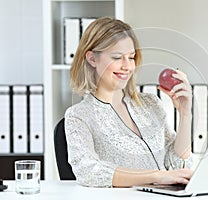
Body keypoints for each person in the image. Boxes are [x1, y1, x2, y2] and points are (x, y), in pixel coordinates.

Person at [65, 17, 194, 188]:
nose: (127, 66)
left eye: (131, 57)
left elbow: (177, 164)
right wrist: (157, 176)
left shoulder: (151, 104)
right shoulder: (79, 116)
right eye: (117, 57)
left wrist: (185, 114)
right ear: (92, 59)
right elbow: (88, 172)